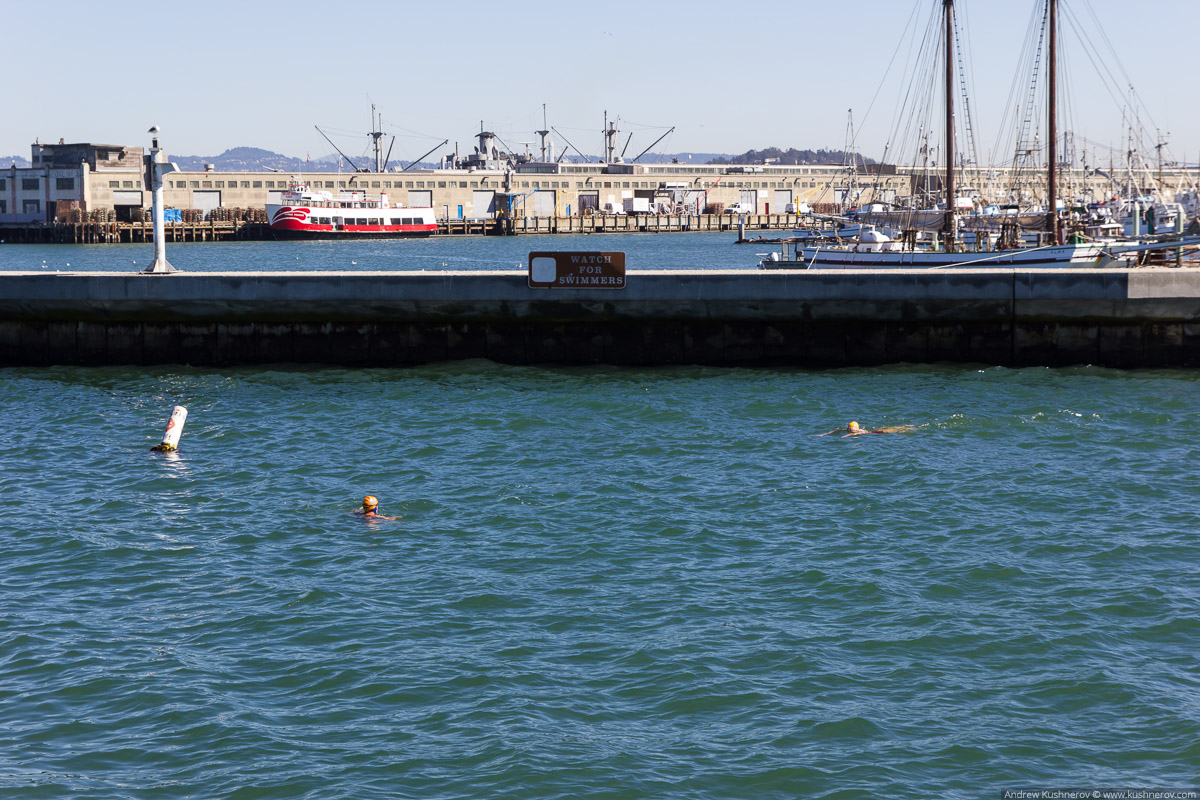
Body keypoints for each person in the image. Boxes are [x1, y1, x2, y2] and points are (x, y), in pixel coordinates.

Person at [818, 421, 917, 437]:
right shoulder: (848, 430)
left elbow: (851, 434)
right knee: (891, 428)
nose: (848, 429)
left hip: (874, 433)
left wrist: (845, 436)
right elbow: (837, 430)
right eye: (848, 427)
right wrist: (824, 434)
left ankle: (906, 427)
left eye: (850, 428)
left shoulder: (856, 432)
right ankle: (905, 426)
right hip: (872, 432)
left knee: (892, 430)